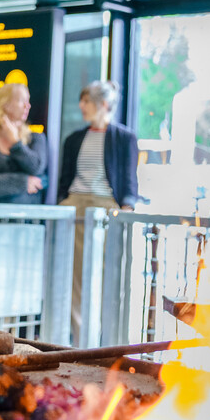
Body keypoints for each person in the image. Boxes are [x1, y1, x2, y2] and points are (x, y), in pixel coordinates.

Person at [57, 81, 140, 342]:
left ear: (103, 104)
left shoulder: (124, 138)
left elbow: (129, 180)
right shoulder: (73, 139)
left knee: (108, 274)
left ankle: (106, 339)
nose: (81, 106)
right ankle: (79, 338)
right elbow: (64, 180)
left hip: (106, 209)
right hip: (75, 207)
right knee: (72, 275)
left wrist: (125, 210)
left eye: (87, 101)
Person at [0, 82, 48, 204]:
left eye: (28, 101)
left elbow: (36, 170)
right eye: (21, 100)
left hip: (25, 218)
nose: (27, 106)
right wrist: (24, 182)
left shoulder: (36, 139)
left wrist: (15, 142)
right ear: (5, 104)